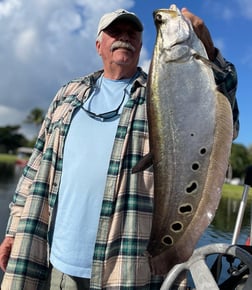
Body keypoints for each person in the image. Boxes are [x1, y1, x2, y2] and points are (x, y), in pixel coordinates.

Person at [0, 7, 239, 290]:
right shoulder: (68, 94)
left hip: (127, 269)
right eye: (115, 31)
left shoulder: (161, 91)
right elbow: (35, 165)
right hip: (57, 264)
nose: (124, 37)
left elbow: (225, 121)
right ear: (99, 44)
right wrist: (14, 228)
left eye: (132, 32)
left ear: (140, 44)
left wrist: (208, 51)